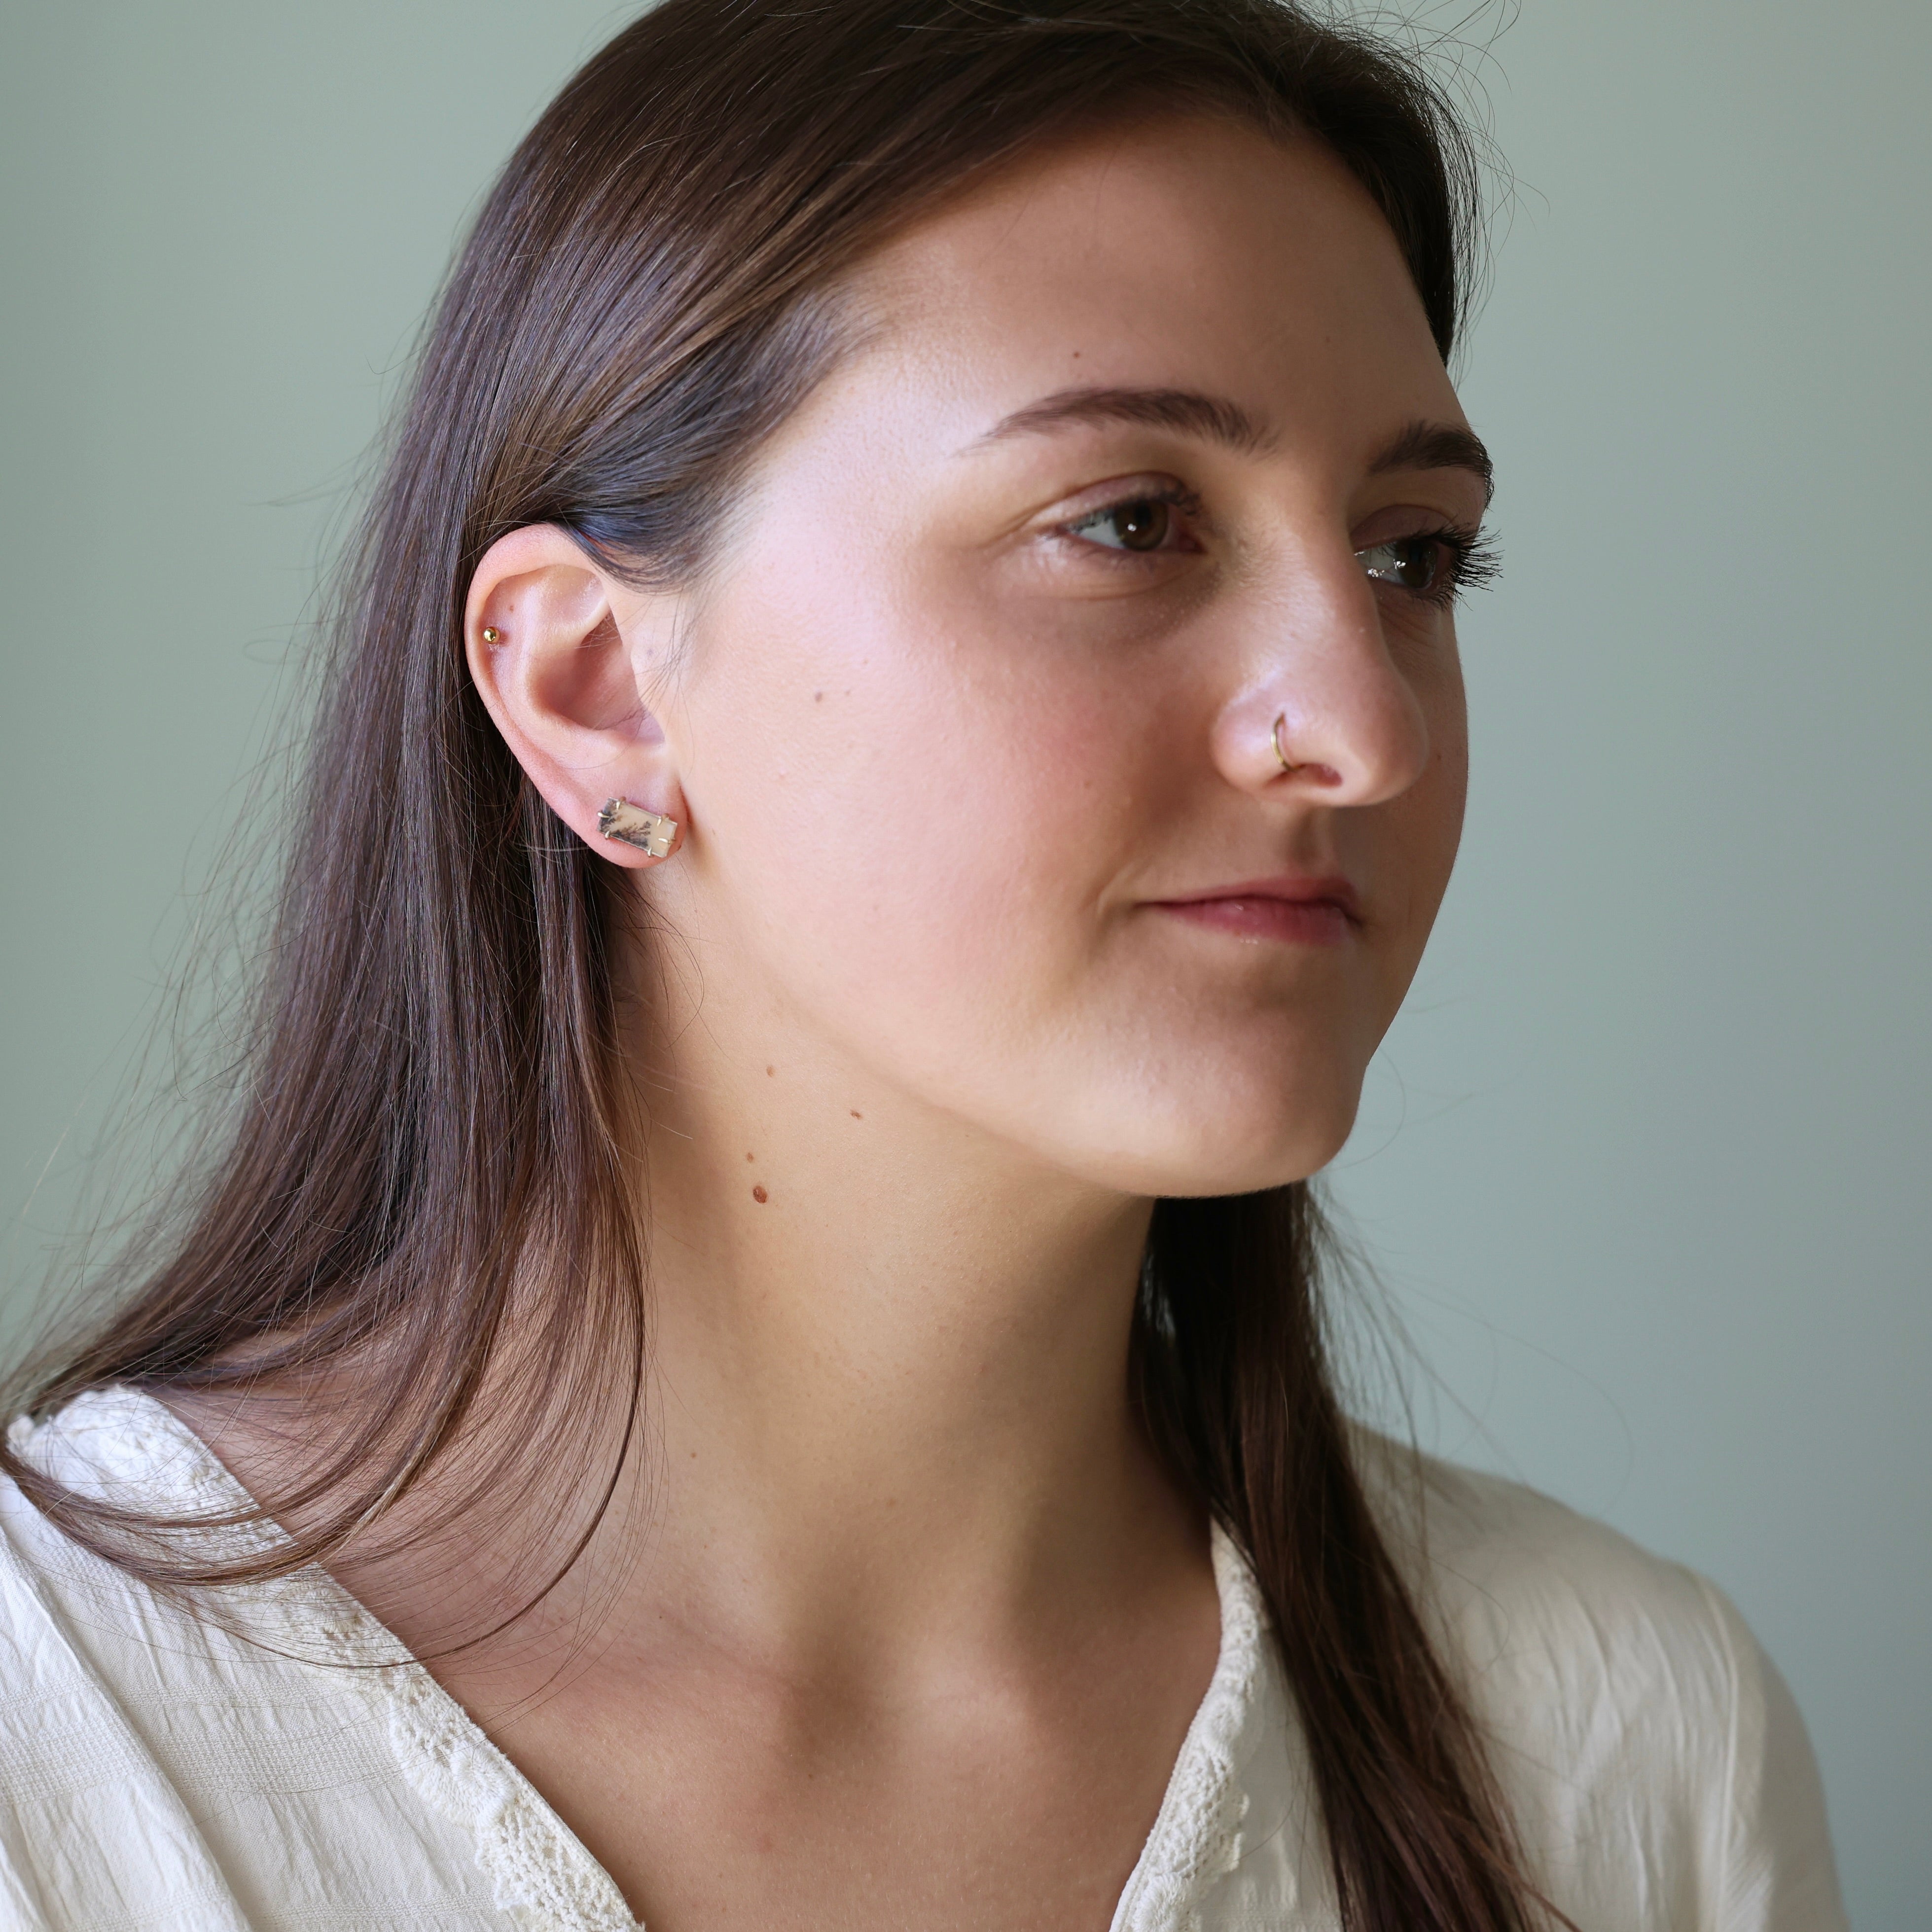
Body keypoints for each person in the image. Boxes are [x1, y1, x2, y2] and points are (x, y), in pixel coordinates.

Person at [0, 2, 1847, 1928]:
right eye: (1127, 522)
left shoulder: (1616, 1748)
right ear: (598, 688)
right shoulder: (60, 1748)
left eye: (1408, 553)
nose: (1359, 728)